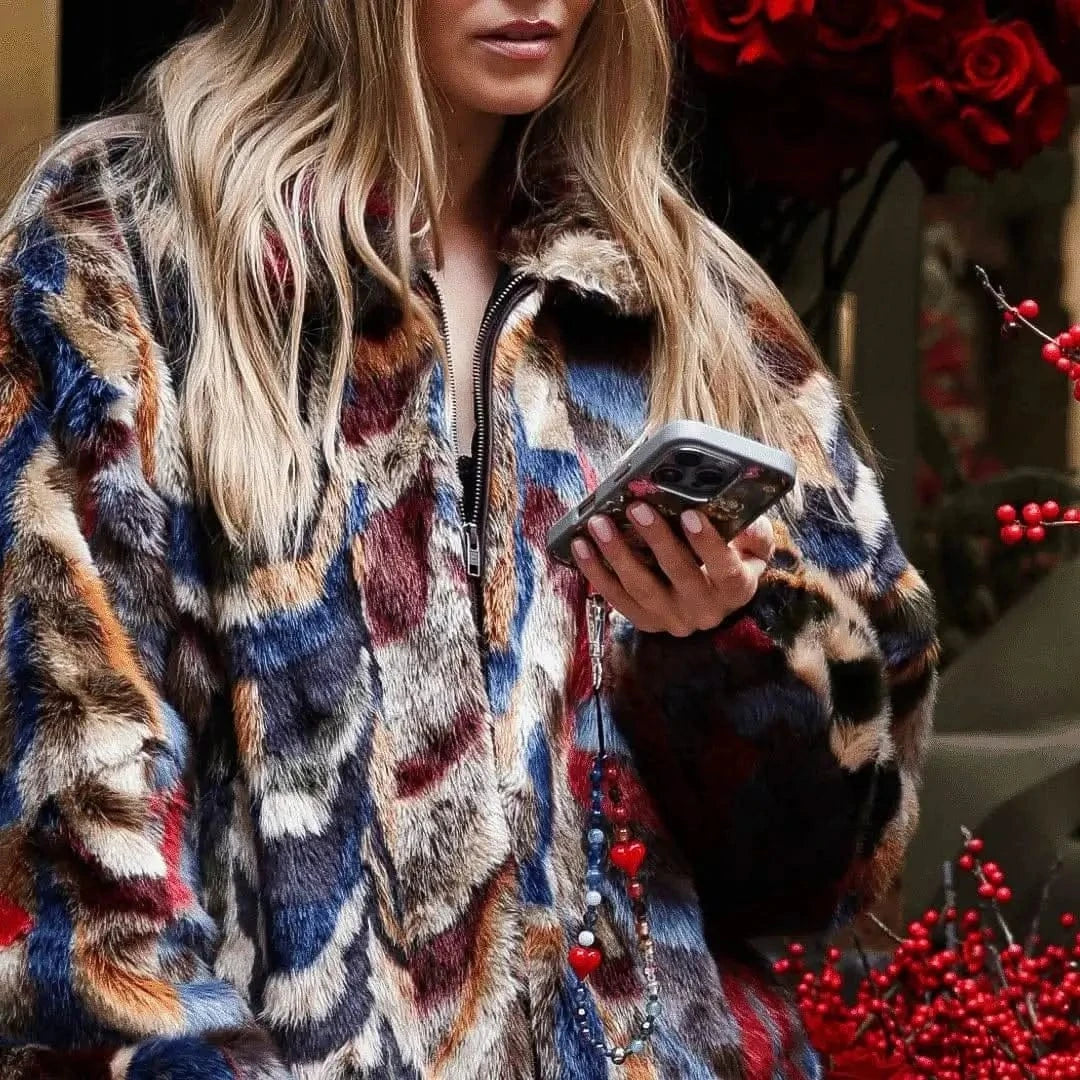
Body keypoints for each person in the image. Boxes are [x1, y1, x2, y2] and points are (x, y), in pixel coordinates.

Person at [0, 1, 939, 1077]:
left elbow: (832, 883)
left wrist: (726, 651)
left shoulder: (680, 292)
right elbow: (79, 890)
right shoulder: (119, 261)